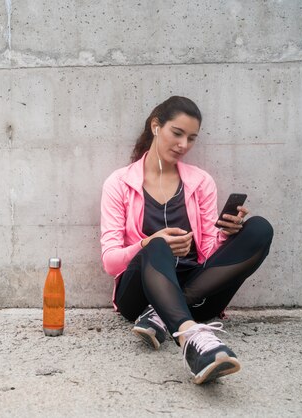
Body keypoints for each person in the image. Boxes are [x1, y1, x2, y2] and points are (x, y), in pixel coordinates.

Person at [100, 96, 273, 384]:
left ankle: (163, 315)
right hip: (138, 296)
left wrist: (227, 234)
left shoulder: (201, 181)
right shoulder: (119, 183)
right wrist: (149, 241)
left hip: (198, 293)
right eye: (177, 134)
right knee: (156, 245)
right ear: (156, 127)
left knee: (259, 229)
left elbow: (206, 251)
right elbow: (110, 261)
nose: (184, 145)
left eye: (191, 138)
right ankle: (191, 337)